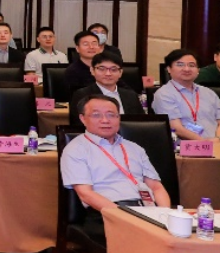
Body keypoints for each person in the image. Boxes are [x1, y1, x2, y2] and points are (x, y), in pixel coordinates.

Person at [60, 95, 171, 229]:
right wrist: (125, 216)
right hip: (107, 214)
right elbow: (86, 194)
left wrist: (165, 215)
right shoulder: (76, 149)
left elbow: (156, 187)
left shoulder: (134, 148)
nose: (105, 120)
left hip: (148, 211)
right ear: (83, 119)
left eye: (111, 115)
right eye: (96, 115)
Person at [152, 49, 220, 140]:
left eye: (191, 65)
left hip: (216, 143)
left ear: (198, 70)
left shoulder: (208, 92)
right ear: (169, 69)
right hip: (185, 146)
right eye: (180, 65)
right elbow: (176, 128)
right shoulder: (164, 94)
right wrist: (205, 143)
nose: (187, 69)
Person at [69, 51, 145, 118]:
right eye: (102, 69)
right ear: (92, 70)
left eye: (113, 69)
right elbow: (78, 124)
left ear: (120, 73)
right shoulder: (82, 95)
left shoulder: (131, 96)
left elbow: (140, 123)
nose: (108, 74)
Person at [61, 30, 103, 97]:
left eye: (94, 43)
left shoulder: (108, 68)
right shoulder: (72, 72)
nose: (91, 47)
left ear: (100, 48)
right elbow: (77, 97)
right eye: (86, 44)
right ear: (77, 49)